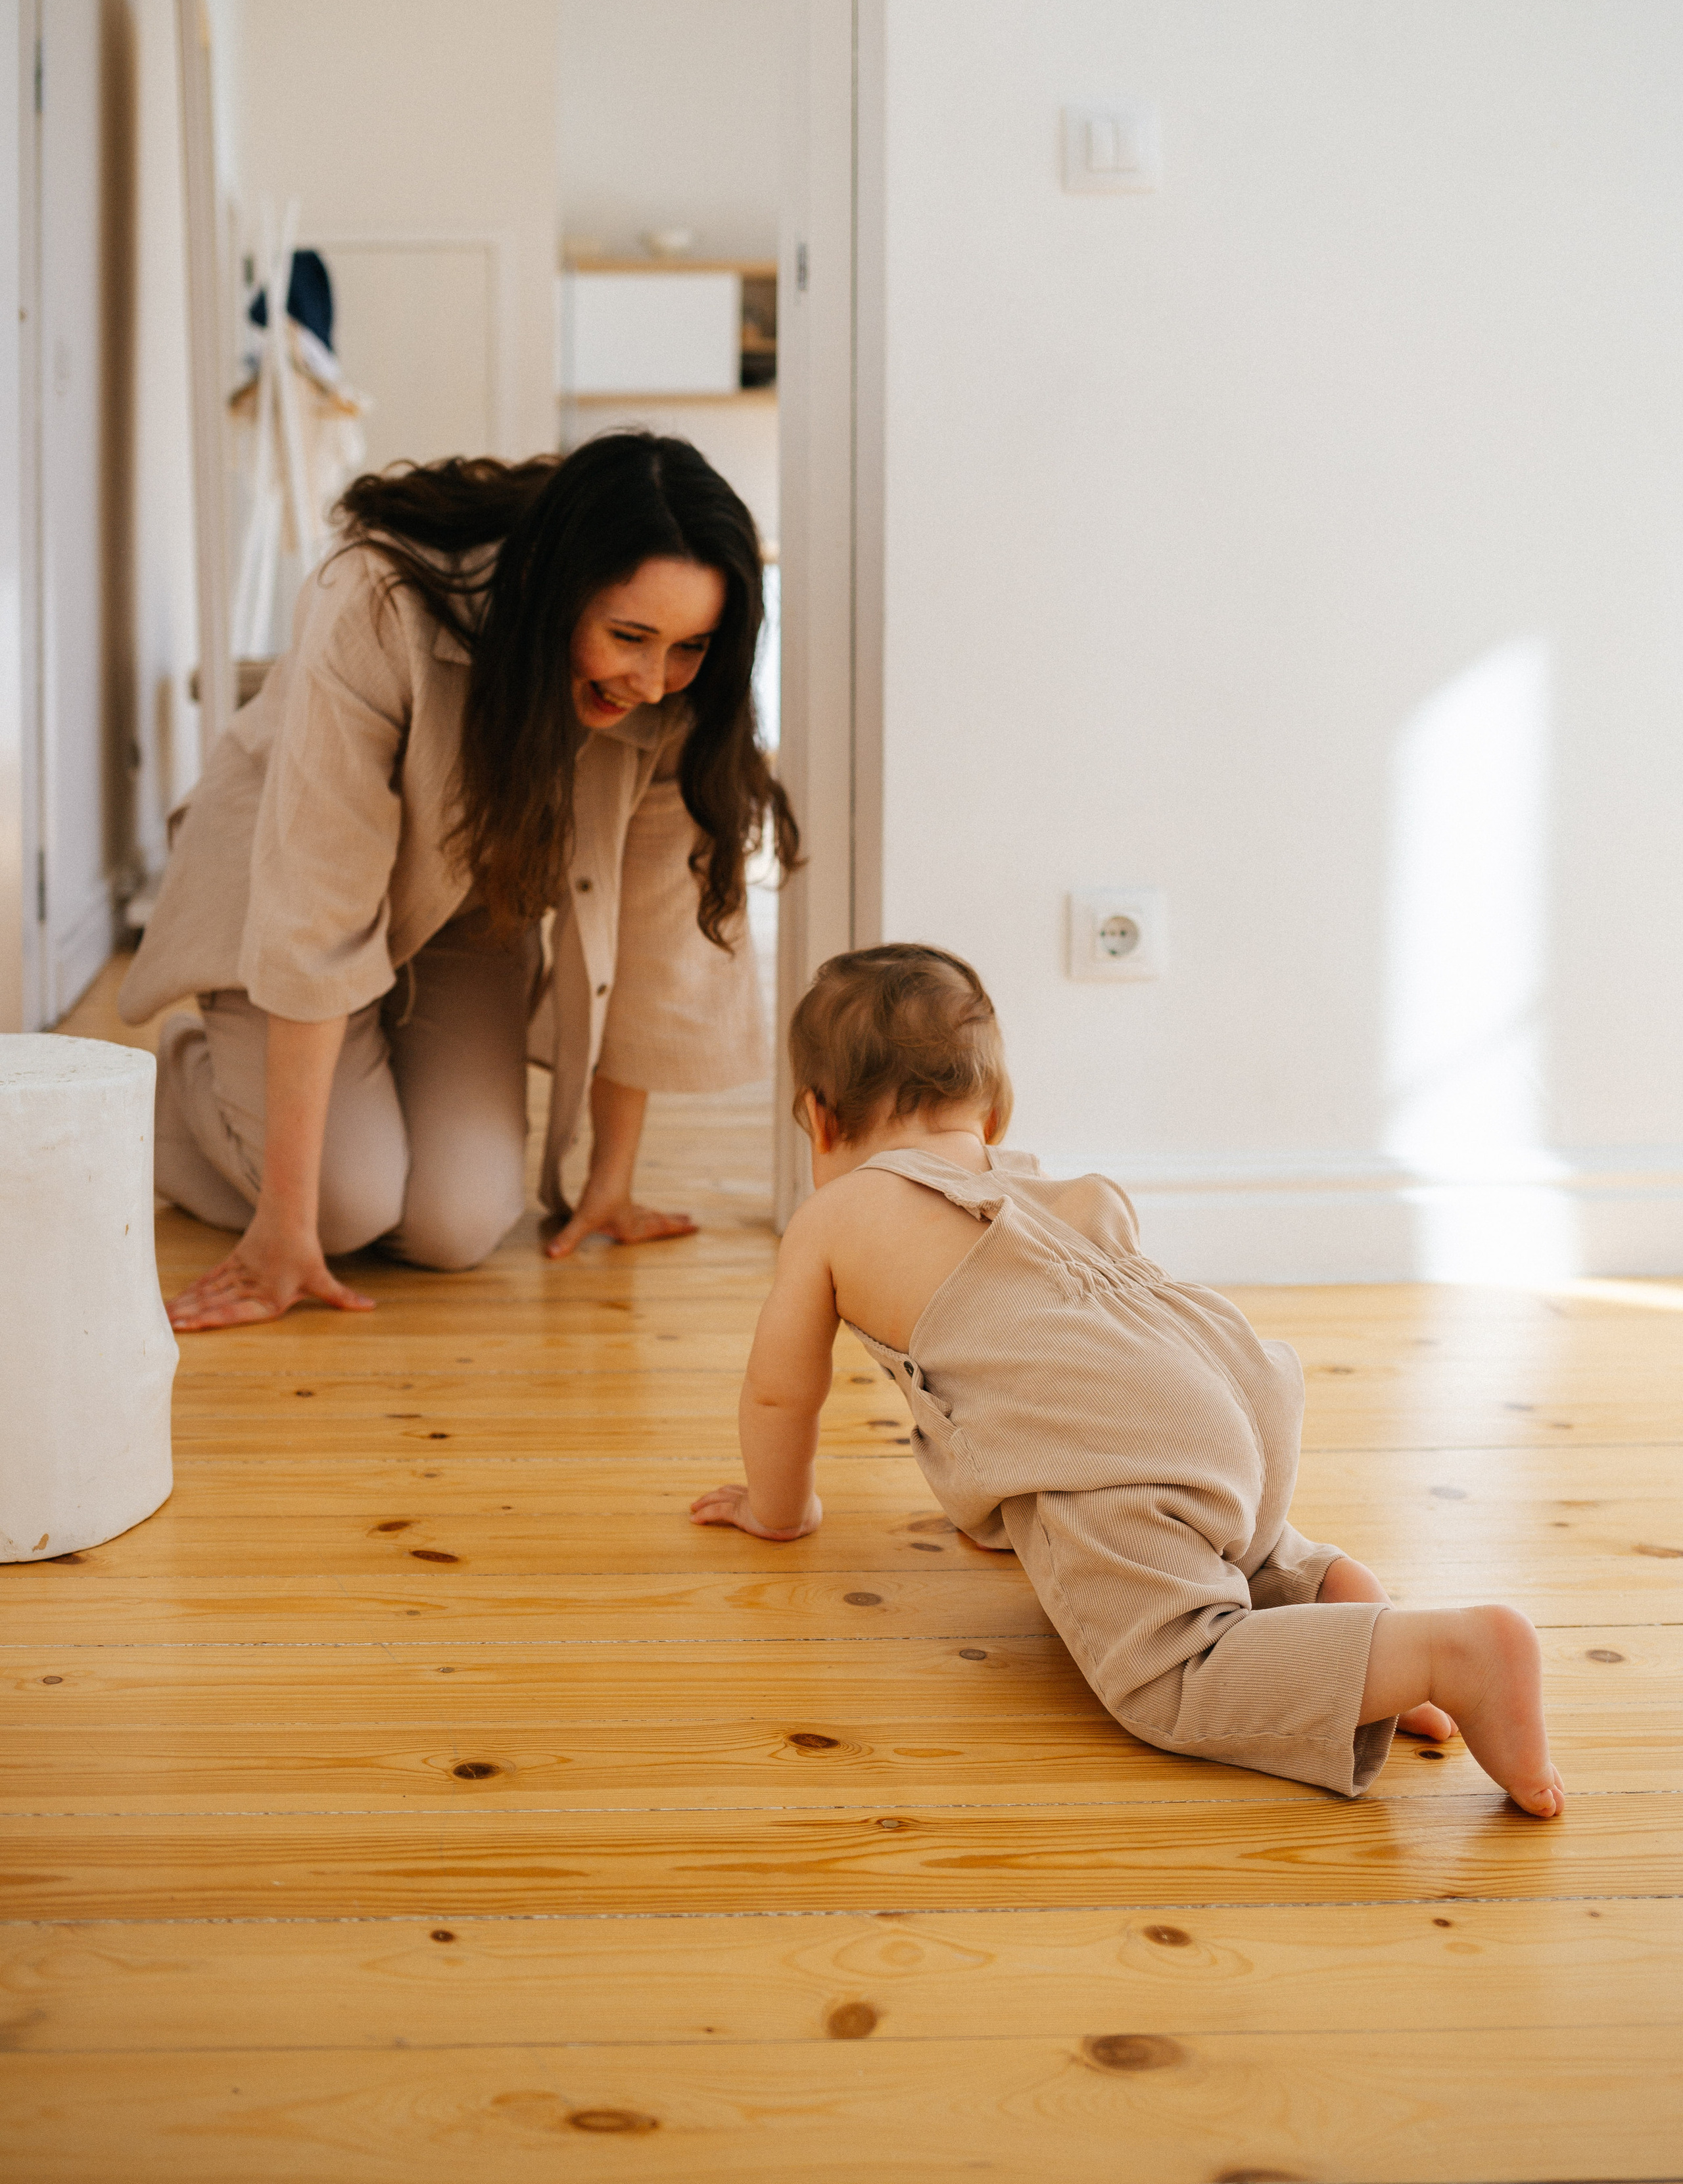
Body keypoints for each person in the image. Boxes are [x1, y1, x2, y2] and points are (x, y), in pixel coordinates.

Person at [691, 944, 1564, 1815]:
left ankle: (1442, 1656)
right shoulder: (1047, 1191)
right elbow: (1039, 1381)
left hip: (1129, 1444)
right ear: (991, 1116)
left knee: (1172, 1675)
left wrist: (780, 1511)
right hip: (1234, 1389)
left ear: (820, 1120)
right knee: (1233, 1543)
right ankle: (1329, 1597)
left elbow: (781, 1392)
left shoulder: (835, 1216)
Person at [124, 433, 797, 1333]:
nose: (650, 680)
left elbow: (650, 936)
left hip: (466, 910)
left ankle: (337, 1123)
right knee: (347, 1206)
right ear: (551, 591)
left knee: (457, 1224)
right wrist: (283, 1227)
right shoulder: (377, 597)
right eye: (628, 636)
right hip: (282, 881)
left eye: (689, 646)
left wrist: (610, 1185)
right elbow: (315, 907)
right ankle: (180, 1087)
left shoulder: (681, 699)